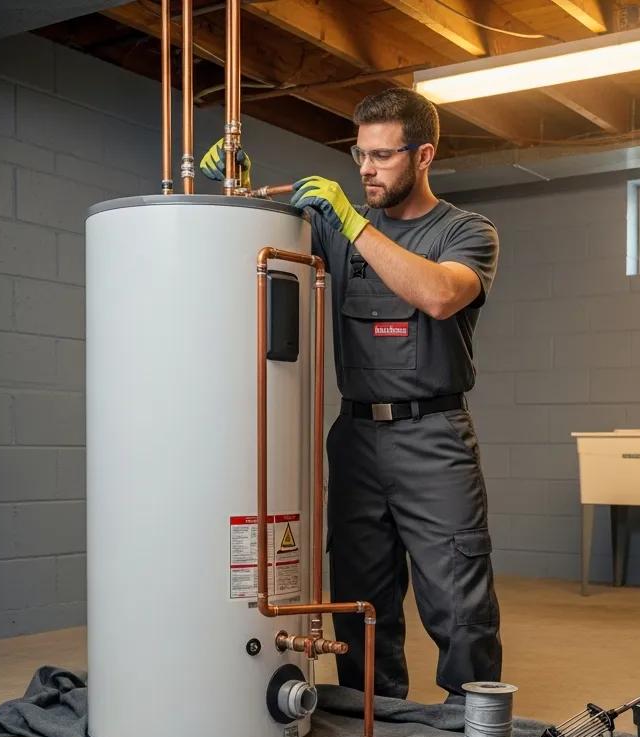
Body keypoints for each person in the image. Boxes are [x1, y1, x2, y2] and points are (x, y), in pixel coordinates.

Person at [201, 88, 501, 703]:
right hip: (357, 435)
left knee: (456, 593)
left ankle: (475, 727)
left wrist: (354, 224)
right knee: (361, 594)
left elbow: (440, 295)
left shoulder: (466, 233)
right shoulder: (335, 230)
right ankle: (376, 716)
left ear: (424, 156)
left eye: (383, 156)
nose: (365, 169)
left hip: (433, 437)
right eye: (360, 154)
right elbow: (262, 246)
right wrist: (242, 192)